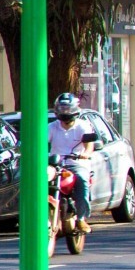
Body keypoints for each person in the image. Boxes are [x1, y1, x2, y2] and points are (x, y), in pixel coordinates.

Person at [48, 93, 94, 233]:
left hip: (76, 163)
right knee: (41, 180)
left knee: (81, 180)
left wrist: (85, 154)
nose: (65, 112)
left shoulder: (83, 126)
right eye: (62, 108)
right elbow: (41, 143)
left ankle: (81, 218)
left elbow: (89, 146)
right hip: (56, 164)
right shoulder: (51, 127)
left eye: (68, 109)